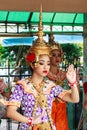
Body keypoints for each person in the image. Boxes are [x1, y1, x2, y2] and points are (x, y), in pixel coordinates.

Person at [6, 7, 79, 130]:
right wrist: (30, 120)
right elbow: (10, 112)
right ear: (32, 63)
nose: (46, 67)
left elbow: (74, 99)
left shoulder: (50, 86)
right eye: (41, 63)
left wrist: (72, 83)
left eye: (48, 63)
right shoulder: (22, 86)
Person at [47, 29, 69, 130]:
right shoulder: (44, 74)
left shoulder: (64, 75)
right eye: (53, 55)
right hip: (47, 109)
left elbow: (70, 93)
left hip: (61, 108)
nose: (57, 58)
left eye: (59, 55)